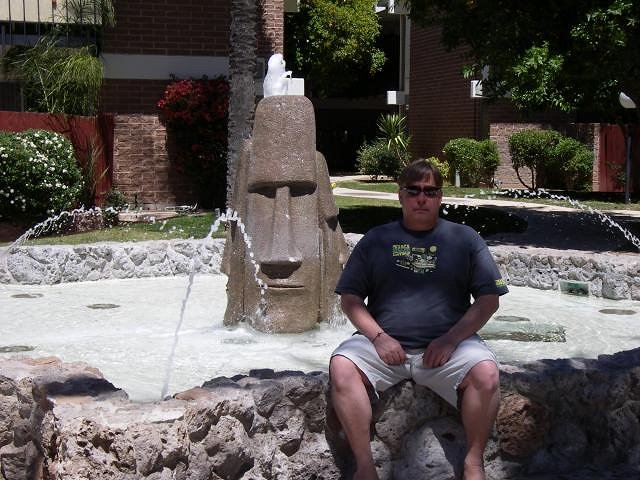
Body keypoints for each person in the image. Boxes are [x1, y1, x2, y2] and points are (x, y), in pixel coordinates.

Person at [329, 159, 508, 480]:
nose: (421, 198)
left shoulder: (465, 239)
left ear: (440, 197)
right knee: (342, 366)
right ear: (400, 195)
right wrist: (379, 338)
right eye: (413, 191)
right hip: (385, 347)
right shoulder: (376, 240)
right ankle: (365, 467)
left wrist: (451, 339)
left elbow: (488, 300)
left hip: (447, 349)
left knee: (486, 373)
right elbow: (350, 300)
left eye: (430, 191)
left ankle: (473, 463)